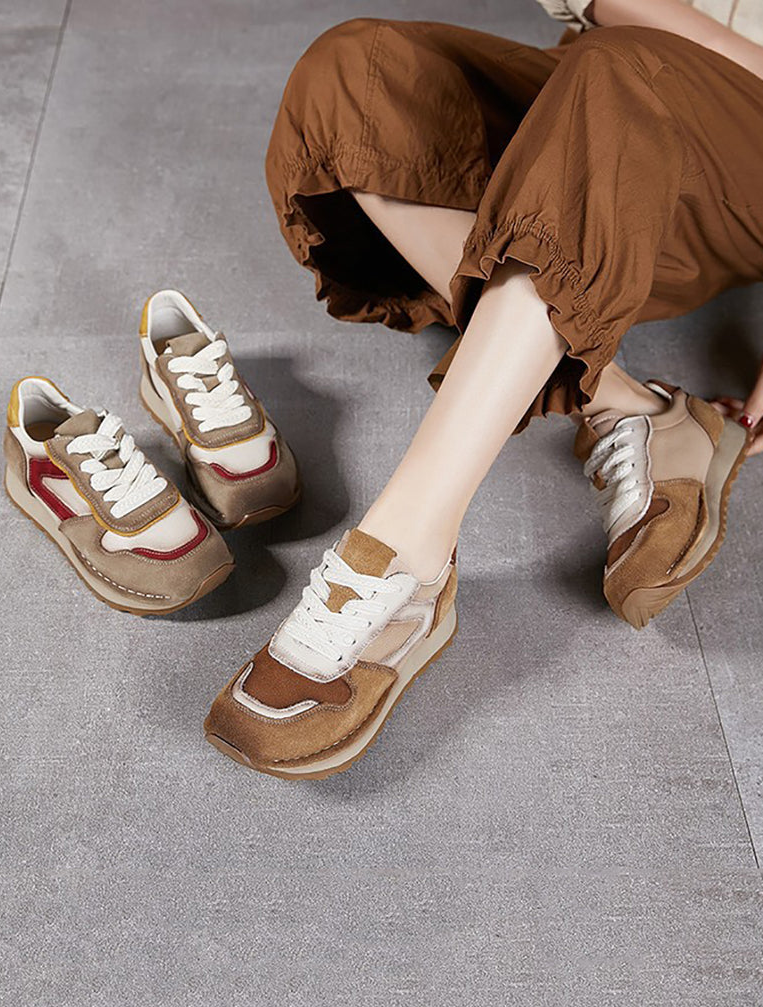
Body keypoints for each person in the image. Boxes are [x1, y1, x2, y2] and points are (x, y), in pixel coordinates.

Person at [203, 0, 763, 778]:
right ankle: (625, 405)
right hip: (595, 110)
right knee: (354, 72)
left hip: (719, 149)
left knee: (620, 74)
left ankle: (405, 550)